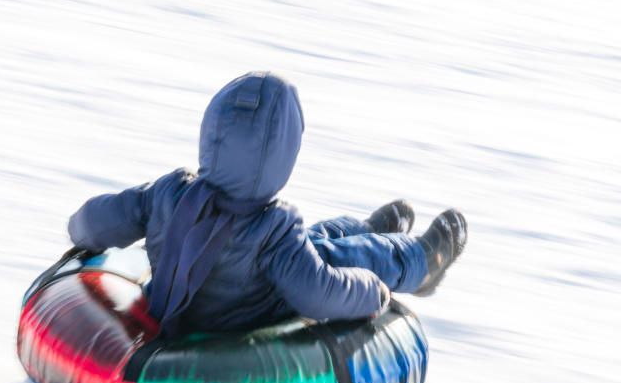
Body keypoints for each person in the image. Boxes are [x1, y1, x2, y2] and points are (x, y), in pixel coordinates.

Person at [66, 71, 467, 338]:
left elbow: (96, 221)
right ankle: (419, 263)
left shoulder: (170, 192)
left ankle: (365, 227)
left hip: (174, 307)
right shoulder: (274, 229)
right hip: (244, 320)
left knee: (316, 240)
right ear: (283, 154)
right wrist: (373, 293)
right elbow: (319, 292)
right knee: (338, 255)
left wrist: (79, 229)